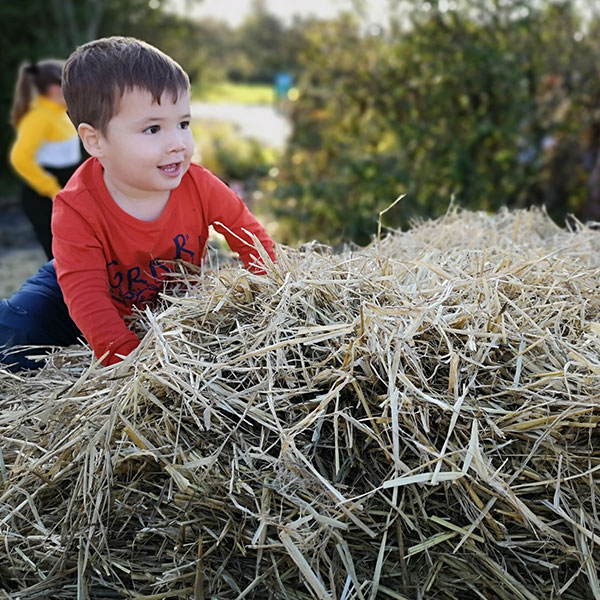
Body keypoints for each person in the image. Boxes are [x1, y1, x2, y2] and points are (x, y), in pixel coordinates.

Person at [0, 36, 275, 371]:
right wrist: (131, 363)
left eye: (183, 124)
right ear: (95, 140)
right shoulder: (77, 208)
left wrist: (272, 302)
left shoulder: (199, 185)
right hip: (75, 289)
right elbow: (86, 299)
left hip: (159, 298)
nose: (177, 144)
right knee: (17, 332)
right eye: (153, 129)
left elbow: (251, 238)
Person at [9, 59, 82, 260]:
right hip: (45, 198)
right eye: (67, 84)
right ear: (52, 88)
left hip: (63, 191)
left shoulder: (59, 113)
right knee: (60, 258)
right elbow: (20, 158)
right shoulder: (38, 116)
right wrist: (51, 189)